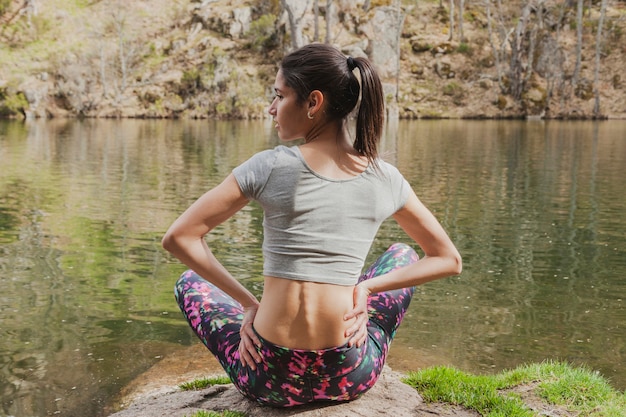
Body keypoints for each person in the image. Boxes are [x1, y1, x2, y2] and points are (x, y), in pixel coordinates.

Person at [162, 43, 462, 407]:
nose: (272, 108)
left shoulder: (269, 166)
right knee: (402, 253)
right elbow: (447, 259)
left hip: (267, 376)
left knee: (189, 282)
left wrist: (249, 306)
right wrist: (367, 290)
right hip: (347, 375)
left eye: (280, 95)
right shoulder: (386, 178)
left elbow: (179, 238)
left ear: (313, 102)